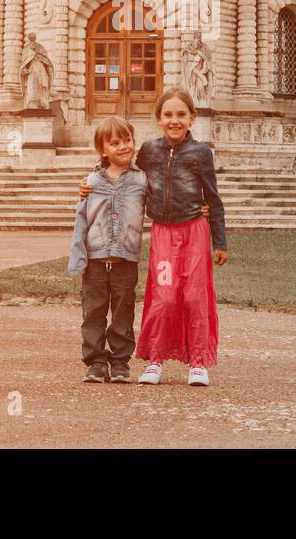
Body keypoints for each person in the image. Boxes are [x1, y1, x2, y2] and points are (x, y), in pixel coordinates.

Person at [79, 87, 229, 386]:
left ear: (192, 118)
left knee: (195, 296)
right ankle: (155, 359)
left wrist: (220, 241)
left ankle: (198, 362)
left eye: (181, 115)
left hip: (195, 233)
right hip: (162, 234)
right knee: (163, 296)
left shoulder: (201, 153)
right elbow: (123, 169)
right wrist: (91, 180)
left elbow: (213, 199)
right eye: (168, 115)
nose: (174, 120)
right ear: (159, 119)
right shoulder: (149, 150)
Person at [68, 116, 146, 383]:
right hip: (96, 258)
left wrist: (198, 208)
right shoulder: (92, 181)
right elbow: (81, 221)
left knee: (124, 310)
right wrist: (78, 258)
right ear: (103, 150)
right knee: (93, 310)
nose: (123, 146)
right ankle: (96, 361)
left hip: (126, 257)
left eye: (127, 140)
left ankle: (121, 361)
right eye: (115, 143)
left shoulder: (141, 180)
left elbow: (162, 205)